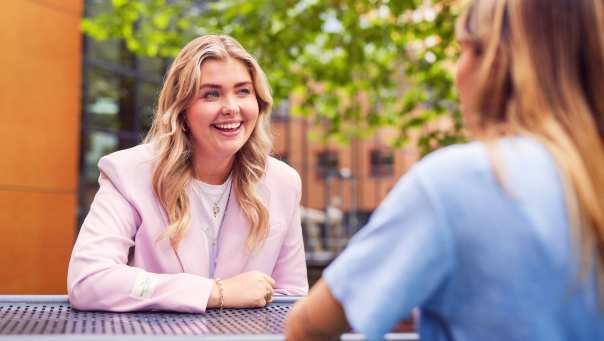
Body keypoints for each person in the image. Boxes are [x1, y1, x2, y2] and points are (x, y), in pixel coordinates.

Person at [285, 0, 604, 340]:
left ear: (496, 62)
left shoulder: (461, 181)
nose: (458, 72)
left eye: (464, 50)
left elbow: (307, 327)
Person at [67, 35, 308, 313]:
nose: (231, 107)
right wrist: (214, 292)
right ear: (181, 110)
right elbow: (89, 280)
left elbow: (290, 299)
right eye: (211, 94)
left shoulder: (283, 183)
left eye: (243, 91)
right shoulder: (128, 174)